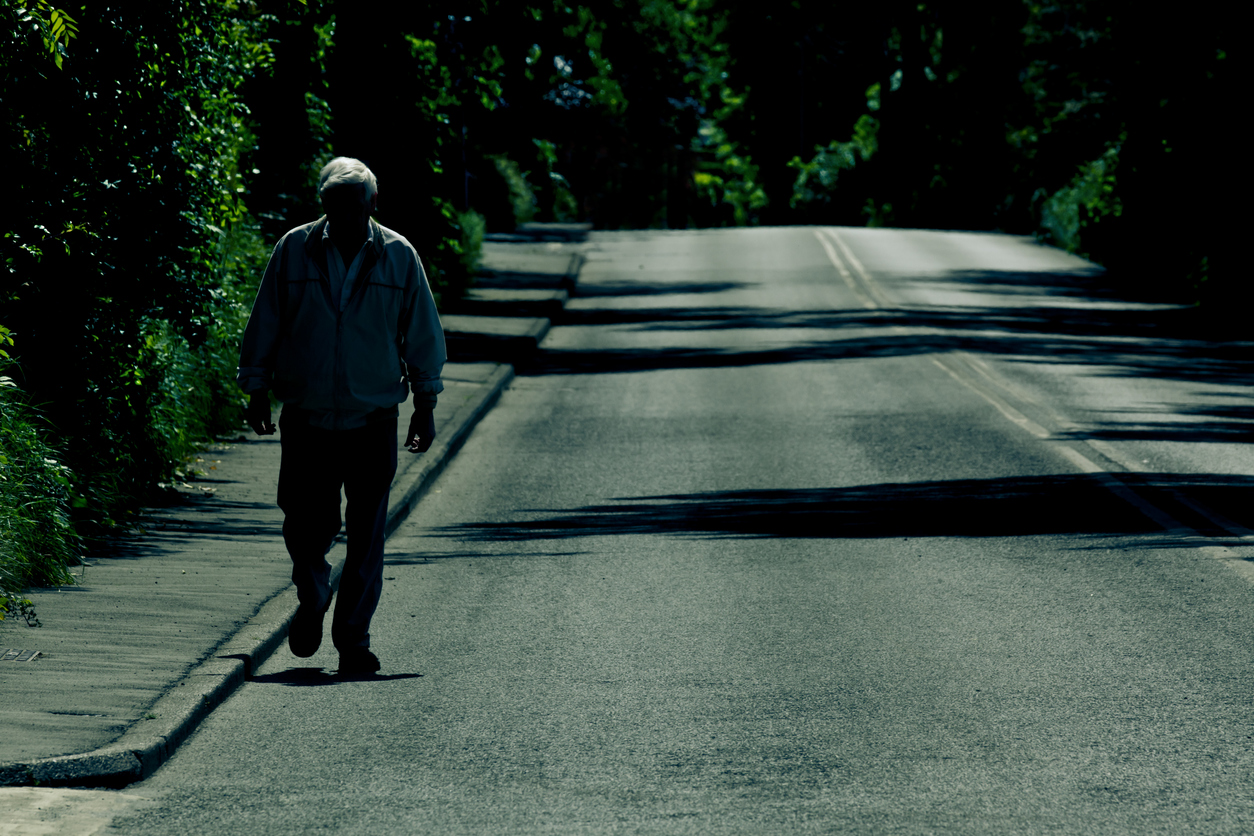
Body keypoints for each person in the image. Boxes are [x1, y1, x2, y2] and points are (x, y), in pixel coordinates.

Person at [237, 157, 446, 674]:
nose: (344, 216)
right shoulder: (294, 249)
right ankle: (313, 596)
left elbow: (422, 334)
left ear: (372, 204)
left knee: (367, 535)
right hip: (306, 416)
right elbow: (266, 320)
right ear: (323, 205)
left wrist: (425, 403)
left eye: (354, 206)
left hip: (372, 417)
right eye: (334, 205)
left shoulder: (399, 256)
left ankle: (354, 640)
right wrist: (256, 388)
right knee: (305, 525)